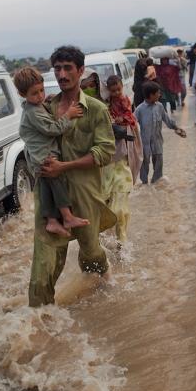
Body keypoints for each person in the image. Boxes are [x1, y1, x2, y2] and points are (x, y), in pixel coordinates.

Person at [29, 45, 117, 307]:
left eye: (68, 68)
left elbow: (105, 152)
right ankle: (40, 319)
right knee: (43, 266)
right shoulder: (44, 108)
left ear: (80, 71)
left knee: (91, 253)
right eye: (57, 68)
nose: (62, 74)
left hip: (84, 193)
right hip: (50, 199)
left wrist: (63, 167)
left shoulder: (96, 109)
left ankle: (106, 283)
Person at [14, 66, 89, 238]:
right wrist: (68, 115)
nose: (40, 95)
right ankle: (67, 217)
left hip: (37, 156)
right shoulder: (33, 113)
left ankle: (52, 221)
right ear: (22, 94)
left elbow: (42, 112)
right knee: (57, 181)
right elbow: (53, 129)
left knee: (47, 187)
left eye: (42, 90)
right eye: (35, 93)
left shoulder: (35, 107)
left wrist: (47, 103)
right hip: (45, 156)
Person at [103, 75, 142, 245]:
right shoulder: (105, 104)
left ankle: (121, 242)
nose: (117, 93)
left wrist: (120, 121)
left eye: (119, 89)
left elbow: (129, 118)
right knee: (111, 203)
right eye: (114, 91)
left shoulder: (124, 100)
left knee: (120, 207)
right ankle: (117, 240)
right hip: (112, 156)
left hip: (123, 147)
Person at [133, 81, 186, 184]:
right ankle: (144, 186)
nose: (160, 95)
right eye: (158, 93)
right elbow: (131, 123)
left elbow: (167, 120)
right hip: (145, 143)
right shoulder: (140, 109)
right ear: (151, 95)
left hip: (157, 141)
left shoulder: (160, 106)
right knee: (145, 166)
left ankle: (156, 185)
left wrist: (176, 128)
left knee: (158, 166)